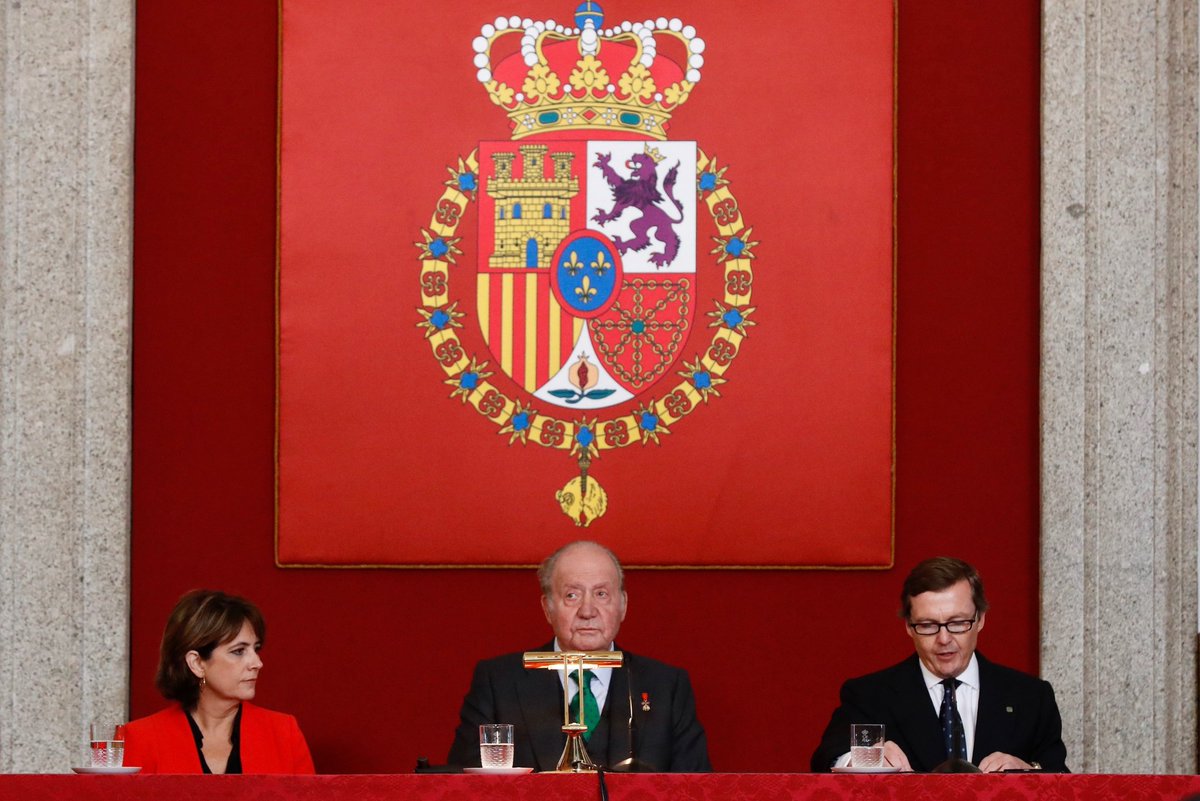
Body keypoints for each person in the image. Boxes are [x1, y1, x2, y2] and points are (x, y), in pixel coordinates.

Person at [448, 540, 711, 772]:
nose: (587, 610)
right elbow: (464, 785)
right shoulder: (498, 683)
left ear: (623, 606)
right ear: (547, 608)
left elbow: (695, 787)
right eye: (572, 595)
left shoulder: (666, 686)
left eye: (601, 594)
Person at [810, 557, 1068, 773]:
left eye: (957, 623)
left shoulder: (1031, 697)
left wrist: (1029, 772)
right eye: (928, 625)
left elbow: (1061, 779)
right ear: (909, 627)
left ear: (980, 620)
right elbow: (826, 760)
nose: (944, 639)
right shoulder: (869, 696)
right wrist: (863, 759)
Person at [124, 590, 315, 774]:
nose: (257, 663)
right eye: (239, 651)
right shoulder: (140, 739)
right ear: (197, 663)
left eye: (256, 649)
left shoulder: (283, 733)